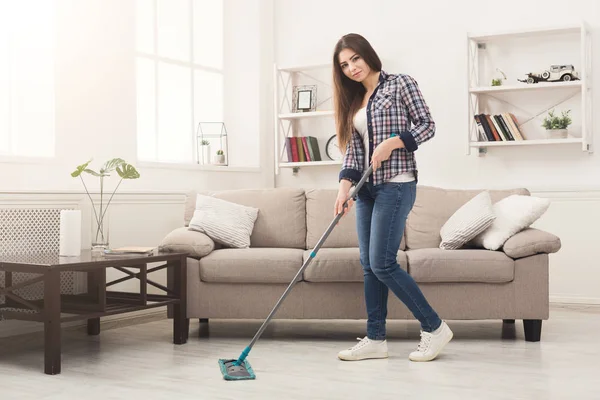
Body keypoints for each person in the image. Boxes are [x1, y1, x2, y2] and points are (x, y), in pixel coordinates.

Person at [332, 33, 453, 362]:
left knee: (383, 263)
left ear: (368, 55)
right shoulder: (354, 100)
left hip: (396, 183)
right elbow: (354, 152)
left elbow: (427, 125)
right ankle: (375, 339)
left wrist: (393, 143)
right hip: (366, 189)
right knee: (369, 266)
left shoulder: (399, 83)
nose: (352, 67)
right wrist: (344, 187)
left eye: (355, 58)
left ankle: (435, 327)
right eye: (344, 64)